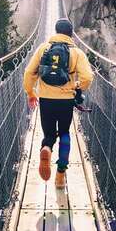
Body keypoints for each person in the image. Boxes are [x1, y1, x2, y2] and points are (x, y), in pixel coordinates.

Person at [23, 18, 93, 188]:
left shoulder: (43, 48)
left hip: (46, 99)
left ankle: (46, 147)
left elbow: (29, 72)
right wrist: (77, 87)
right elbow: (88, 77)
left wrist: (31, 92)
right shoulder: (77, 53)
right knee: (64, 134)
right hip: (66, 101)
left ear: (55, 31)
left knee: (49, 134)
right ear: (71, 34)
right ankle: (60, 175)